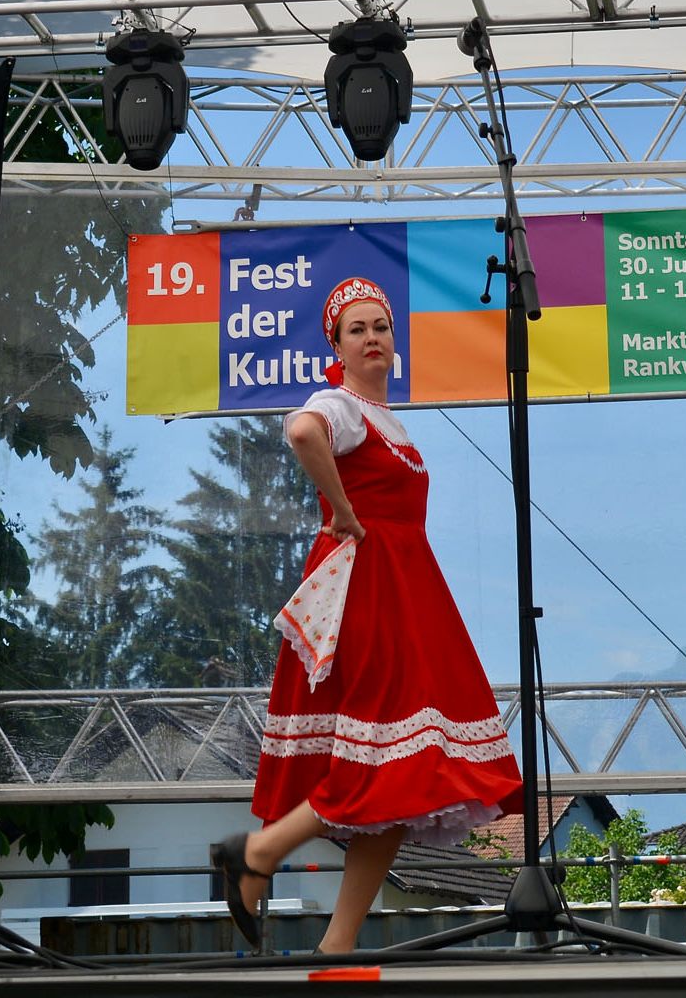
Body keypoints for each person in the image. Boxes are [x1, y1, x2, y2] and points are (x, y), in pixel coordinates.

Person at [215, 277, 522, 954]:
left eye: (381, 326)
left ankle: (336, 945)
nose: (373, 337)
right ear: (337, 345)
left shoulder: (390, 420)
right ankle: (259, 852)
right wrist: (345, 513)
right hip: (369, 591)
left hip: (407, 591)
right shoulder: (340, 405)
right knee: (392, 760)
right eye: (357, 329)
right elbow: (300, 431)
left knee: (408, 777)